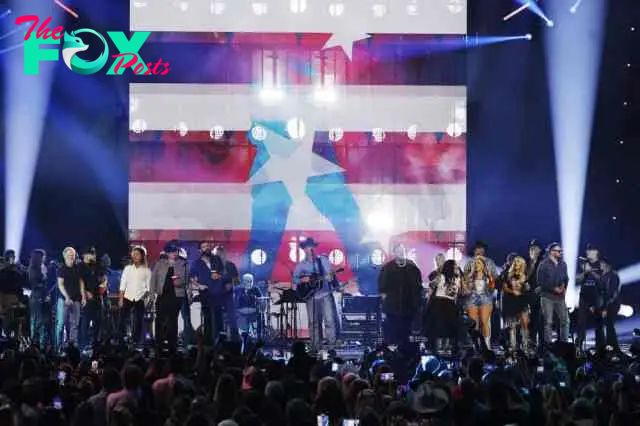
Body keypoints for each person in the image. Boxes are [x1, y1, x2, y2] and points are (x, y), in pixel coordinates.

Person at [293, 238, 339, 350]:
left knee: (329, 320)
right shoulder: (301, 265)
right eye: (307, 247)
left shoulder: (322, 260)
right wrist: (303, 280)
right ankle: (315, 345)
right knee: (313, 322)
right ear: (304, 249)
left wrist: (329, 276)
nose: (310, 249)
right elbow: (294, 279)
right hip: (311, 296)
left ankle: (331, 345)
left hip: (325, 294)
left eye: (311, 246)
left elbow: (329, 274)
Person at [378, 243, 422, 351]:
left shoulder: (412, 267)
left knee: (406, 331)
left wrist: (416, 303)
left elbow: (417, 285)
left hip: (408, 306)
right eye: (398, 251)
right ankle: (392, 350)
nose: (401, 253)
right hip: (392, 307)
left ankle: (404, 350)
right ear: (394, 253)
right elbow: (382, 287)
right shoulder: (388, 268)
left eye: (402, 251)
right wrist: (387, 302)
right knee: (393, 330)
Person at [151, 243, 188, 350]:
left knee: (173, 320)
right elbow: (153, 279)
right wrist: (151, 294)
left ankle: (173, 343)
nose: (173, 254)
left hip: (176, 296)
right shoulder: (160, 263)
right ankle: (159, 342)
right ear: (167, 253)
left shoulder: (183, 264)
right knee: (159, 319)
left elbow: (186, 279)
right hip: (162, 295)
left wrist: (179, 282)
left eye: (175, 251)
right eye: (171, 251)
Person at [537, 242, 570, 348]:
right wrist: (553, 288)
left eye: (561, 251)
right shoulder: (543, 264)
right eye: (558, 251)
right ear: (551, 252)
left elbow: (566, 278)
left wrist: (564, 288)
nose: (560, 252)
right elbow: (540, 282)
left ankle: (564, 345)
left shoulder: (563, 264)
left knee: (565, 321)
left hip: (560, 298)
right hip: (547, 297)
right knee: (548, 322)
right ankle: (548, 346)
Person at [426, 259, 462, 354]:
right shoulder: (441, 277)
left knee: (449, 327)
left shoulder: (458, 278)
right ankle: (439, 349)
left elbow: (458, 293)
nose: (457, 267)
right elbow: (431, 285)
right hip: (439, 303)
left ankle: (447, 348)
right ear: (450, 267)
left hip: (450, 304)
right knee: (440, 327)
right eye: (455, 265)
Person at [119, 246, 151, 345]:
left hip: (140, 298)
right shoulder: (127, 269)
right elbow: (122, 285)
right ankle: (122, 339)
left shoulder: (147, 271)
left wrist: (144, 297)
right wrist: (120, 298)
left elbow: (149, 288)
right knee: (123, 319)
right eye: (134, 254)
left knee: (139, 321)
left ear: (142, 256)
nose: (135, 256)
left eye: (138, 254)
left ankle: (136, 340)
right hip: (127, 297)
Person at [462, 256, 495, 350]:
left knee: (484, 322)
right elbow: (465, 287)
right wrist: (471, 274)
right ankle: (475, 346)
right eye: (475, 263)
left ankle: (487, 346)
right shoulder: (470, 276)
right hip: (472, 299)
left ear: (483, 265)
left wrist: (490, 276)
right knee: (473, 324)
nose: (477, 265)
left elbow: (492, 288)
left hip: (485, 298)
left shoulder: (487, 276)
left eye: (479, 263)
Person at [575, 244, 603, 351]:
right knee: (581, 324)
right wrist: (585, 272)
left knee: (598, 325)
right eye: (587, 250)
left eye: (590, 250)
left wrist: (591, 271)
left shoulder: (601, 264)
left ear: (596, 252)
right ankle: (578, 348)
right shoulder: (582, 264)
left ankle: (600, 349)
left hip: (596, 299)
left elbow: (602, 281)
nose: (587, 252)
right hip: (584, 298)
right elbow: (577, 280)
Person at [57, 247, 86, 346]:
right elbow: (60, 284)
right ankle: (59, 346)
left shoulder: (78, 268)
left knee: (75, 324)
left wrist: (83, 296)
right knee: (61, 324)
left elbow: (81, 282)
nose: (72, 257)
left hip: (76, 299)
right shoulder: (61, 269)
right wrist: (67, 297)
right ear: (64, 256)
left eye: (73, 255)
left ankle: (72, 345)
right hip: (64, 300)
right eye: (69, 255)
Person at [502, 256, 530, 352]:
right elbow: (504, 287)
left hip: (522, 302)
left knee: (524, 324)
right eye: (516, 261)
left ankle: (525, 346)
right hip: (511, 302)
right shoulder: (508, 274)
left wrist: (525, 289)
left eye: (519, 262)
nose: (517, 263)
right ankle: (513, 347)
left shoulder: (526, 274)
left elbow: (527, 288)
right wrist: (513, 291)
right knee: (512, 326)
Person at [594, 259, 620, 353]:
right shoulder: (603, 276)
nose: (600, 265)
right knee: (600, 325)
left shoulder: (613, 275)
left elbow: (612, 293)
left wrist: (605, 308)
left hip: (611, 304)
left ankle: (613, 347)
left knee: (609, 325)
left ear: (606, 265)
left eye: (601, 264)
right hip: (603, 305)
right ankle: (601, 347)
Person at [214, 245, 240, 341]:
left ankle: (235, 339)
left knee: (232, 317)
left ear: (225, 255)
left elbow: (237, 281)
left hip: (228, 296)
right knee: (216, 318)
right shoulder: (212, 266)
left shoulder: (231, 265)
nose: (219, 256)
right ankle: (218, 339)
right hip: (216, 296)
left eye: (221, 254)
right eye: (217, 254)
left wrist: (231, 283)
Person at [79, 246, 101, 348]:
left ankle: (95, 341)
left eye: (94, 253)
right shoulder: (81, 266)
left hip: (96, 296)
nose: (93, 255)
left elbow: (100, 279)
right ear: (84, 255)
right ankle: (84, 342)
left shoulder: (95, 266)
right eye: (91, 253)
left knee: (97, 320)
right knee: (85, 320)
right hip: (86, 297)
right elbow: (80, 281)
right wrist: (85, 293)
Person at [27, 249, 48, 347]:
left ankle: (41, 343)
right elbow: (34, 283)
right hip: (36, 296)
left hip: (43, 296)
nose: (45, 258)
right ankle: (34, 342)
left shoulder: (43, 267)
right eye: (43, 256)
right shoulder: (33, 268)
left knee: (43, 320)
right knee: (36, 320)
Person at [526, 239, 543, 350]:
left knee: (541, 321)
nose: (532, 250)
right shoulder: (527, 263)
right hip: (530, 297)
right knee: (531, 322)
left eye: (535, 248)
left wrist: (542, 287)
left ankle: (543, 346)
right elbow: (525, 277)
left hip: (542, 296)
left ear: (540, 250)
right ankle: (532, 345)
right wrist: (532, 263)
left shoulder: (544, 262)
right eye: (531, 249)